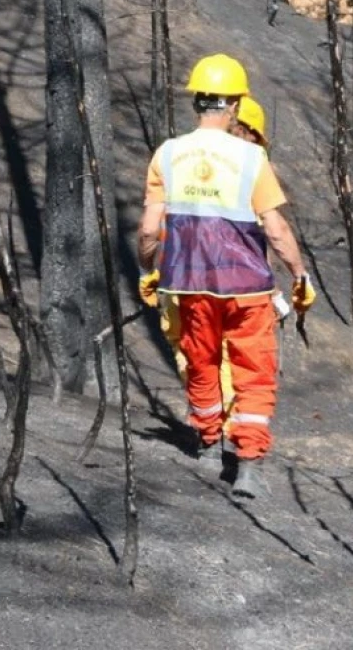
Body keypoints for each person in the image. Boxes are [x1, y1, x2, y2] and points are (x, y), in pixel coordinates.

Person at [137, 55, 314, 499]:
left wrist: (149, 270)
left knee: (203, 362)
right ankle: (249, 467)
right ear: (234, 105)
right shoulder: (251, 156)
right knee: (254, 371)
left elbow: (147, 229)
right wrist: (299, 274)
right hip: (247, 287)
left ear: (197, 100)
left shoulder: (168, 154)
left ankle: (209, 445)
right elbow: (275, 229)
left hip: (188, 281)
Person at [157, 94, 279, 409]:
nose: (257, 145)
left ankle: (214, 429)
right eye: (254, 137)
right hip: (223, 285)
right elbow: (264, 233)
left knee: (197, 353)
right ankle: (222, 431)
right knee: (220, 357)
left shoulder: (184, 157)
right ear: (241, 127)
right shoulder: (246, 166)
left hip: (183, 278)